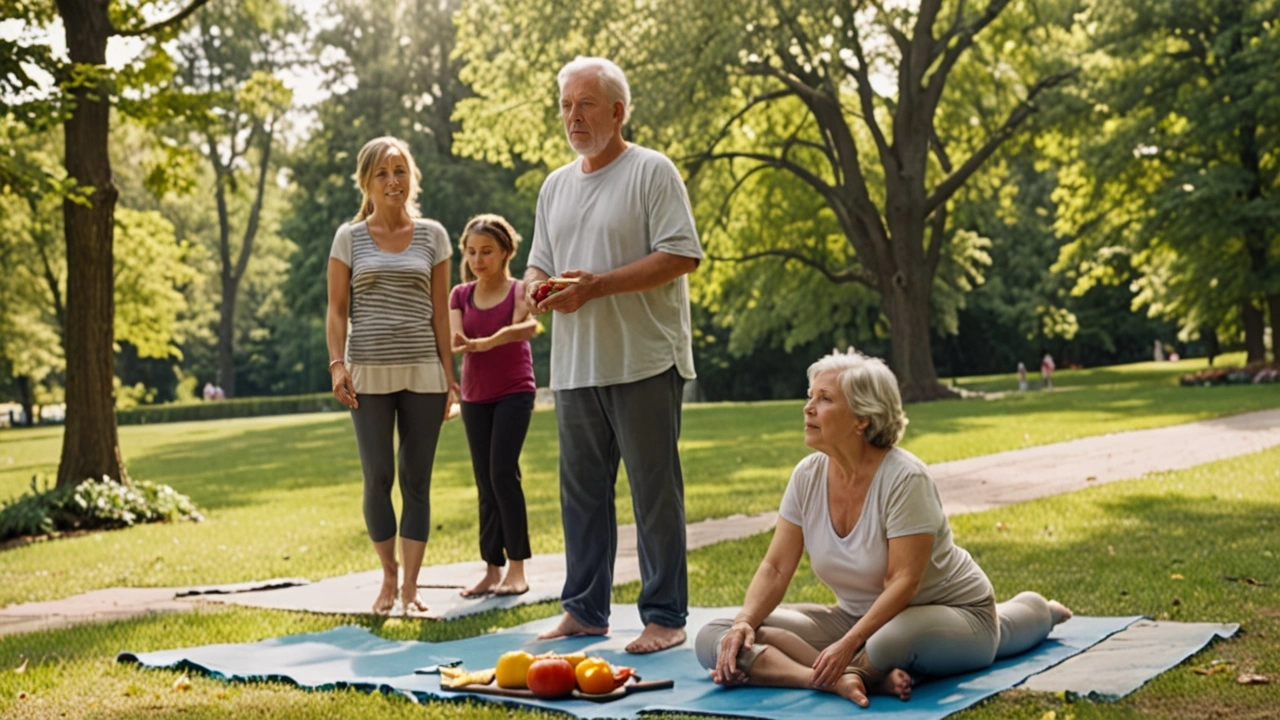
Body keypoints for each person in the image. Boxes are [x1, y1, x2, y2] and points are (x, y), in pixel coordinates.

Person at [695, 349, 1072, 708]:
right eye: (810, 396)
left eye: (825, 399)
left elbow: (902, 583)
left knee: (899, 639)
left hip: (951, 612)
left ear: (862, 418)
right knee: (718, 635)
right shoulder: (806, 476)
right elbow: (775, 568)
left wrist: (847, 644)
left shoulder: (906, 478)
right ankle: (834, 678)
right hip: (859, 619)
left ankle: (1041, 611)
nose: (808, 408)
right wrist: (746, 624)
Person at [523, 56, 703, 654]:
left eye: (586, 104)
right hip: (575, 367)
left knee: (654, 494)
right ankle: (584, 611)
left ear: (618, 111)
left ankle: (665, 616)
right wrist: (533, 284)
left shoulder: (652, 171)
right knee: (581, 497)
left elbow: (681, 255)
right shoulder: (554, 184)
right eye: (566, 106)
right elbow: (540, 259)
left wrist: (597, 285)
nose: (573, 116)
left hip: (644, 360)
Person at [326, 136, 458, 616]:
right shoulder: (349, 237)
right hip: (368, 372)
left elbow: (442, 314)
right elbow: (337, 310)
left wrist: (450, 375)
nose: (392, 181)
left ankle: (411, 588)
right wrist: (337, 363)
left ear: (412, 176)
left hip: (424, 371)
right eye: (382, 173)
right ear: (367, 182)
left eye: (400, 170)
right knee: (378, 477)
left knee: (416, 481)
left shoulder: (434, 235)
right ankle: (388, 577)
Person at [449, 214, 539, 598]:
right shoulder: (460, 295)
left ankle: (517, 569)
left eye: (486, 251)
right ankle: (491, 569)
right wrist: (463, 345)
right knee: (485, 482)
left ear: (506, 252)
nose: (478, 259)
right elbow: (455, 339)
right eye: (471, 252)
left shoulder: (520, 290)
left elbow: (530, 326)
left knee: (503, 473)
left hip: (514, 391)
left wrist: (491, 340)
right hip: (474, 395)